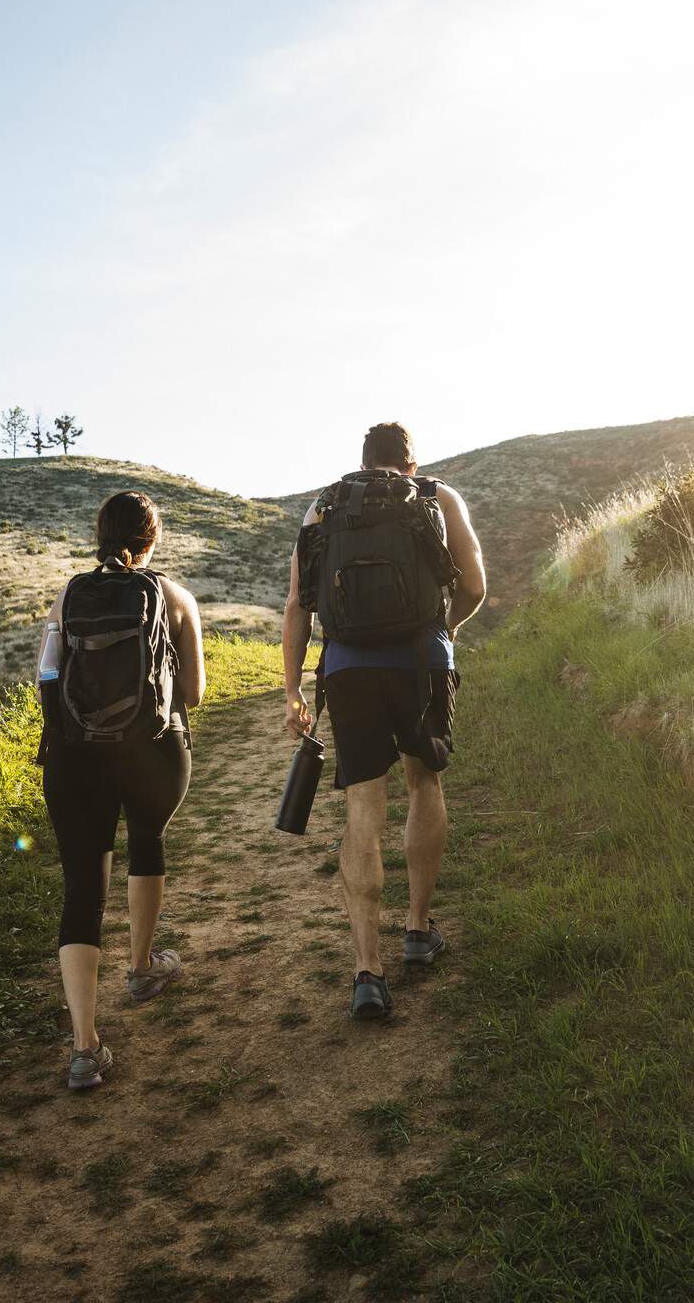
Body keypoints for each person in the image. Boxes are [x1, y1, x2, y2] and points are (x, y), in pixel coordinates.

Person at [282, 422, 487, 1019]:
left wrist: (293, 687)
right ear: (411, 464)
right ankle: (419, 930)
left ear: (364, 462)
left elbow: (298, 602)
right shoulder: (438, 498)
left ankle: (366, 970)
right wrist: (444, 631)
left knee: (362, 806)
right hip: (419, 663)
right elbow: (473, 585)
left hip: (347, 670)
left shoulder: (324, 505)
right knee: (424, 781)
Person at [38, 490, 205, 1088]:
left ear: (100, 536)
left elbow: (48, 677)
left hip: (74, 757)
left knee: (82, 888)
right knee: (147, 839)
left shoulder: (68, 597)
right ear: (152, 539)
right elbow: (195, 690)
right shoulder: (175, 597)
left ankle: (84, 1047)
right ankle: (140, 968)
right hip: (152, 749)